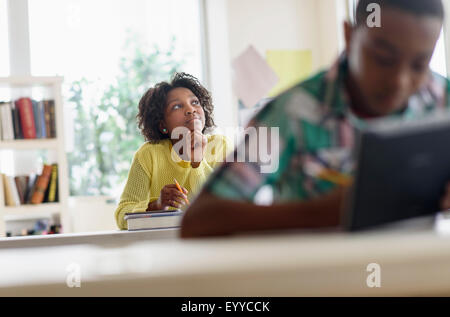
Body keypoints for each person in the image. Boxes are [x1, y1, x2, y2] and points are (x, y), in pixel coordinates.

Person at [180, 0, 450, 238]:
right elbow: (200, 219)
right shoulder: (289, 114)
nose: (399, 82)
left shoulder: (442, 99)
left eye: (419, 65)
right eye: (383, 58)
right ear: (349, 35)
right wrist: (325, 213)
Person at [115, 73, 230, 230]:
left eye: (195, 102)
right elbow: (122, 216)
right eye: (177, 106)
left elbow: (225, 207)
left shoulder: (220, 146)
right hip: (163, 246)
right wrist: (156, 205)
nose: (191, 110)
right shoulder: (148, 155)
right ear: (162, 124)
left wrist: (197, 163)